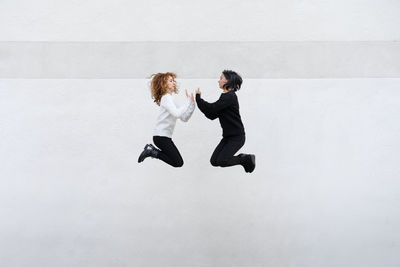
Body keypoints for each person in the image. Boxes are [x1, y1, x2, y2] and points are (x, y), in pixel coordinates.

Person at [195, 70, 256, 173]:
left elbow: (211, 108)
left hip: (237, 137)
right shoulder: (225, 98)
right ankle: (243, 159)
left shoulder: (230, 96)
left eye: (221, 78)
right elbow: (211, 115)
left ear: (228, 81)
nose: (218, 81)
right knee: (214, 161)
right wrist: (198, 102)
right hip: (227, 137)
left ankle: (245, 159)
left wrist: (198, 98)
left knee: (222, 161)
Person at [138, 72, 195, 167]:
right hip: (160, 136)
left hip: (165, 137)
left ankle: (152, 152)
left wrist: (192, 104)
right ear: (164, 84)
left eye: (174, 81)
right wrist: (187, 102)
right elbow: (177, 113)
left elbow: (184, 118)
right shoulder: (166, 98)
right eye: (171, 81)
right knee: (178, 162)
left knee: (178, 162)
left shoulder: (171, 99)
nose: (174, 83)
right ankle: (151, 151)